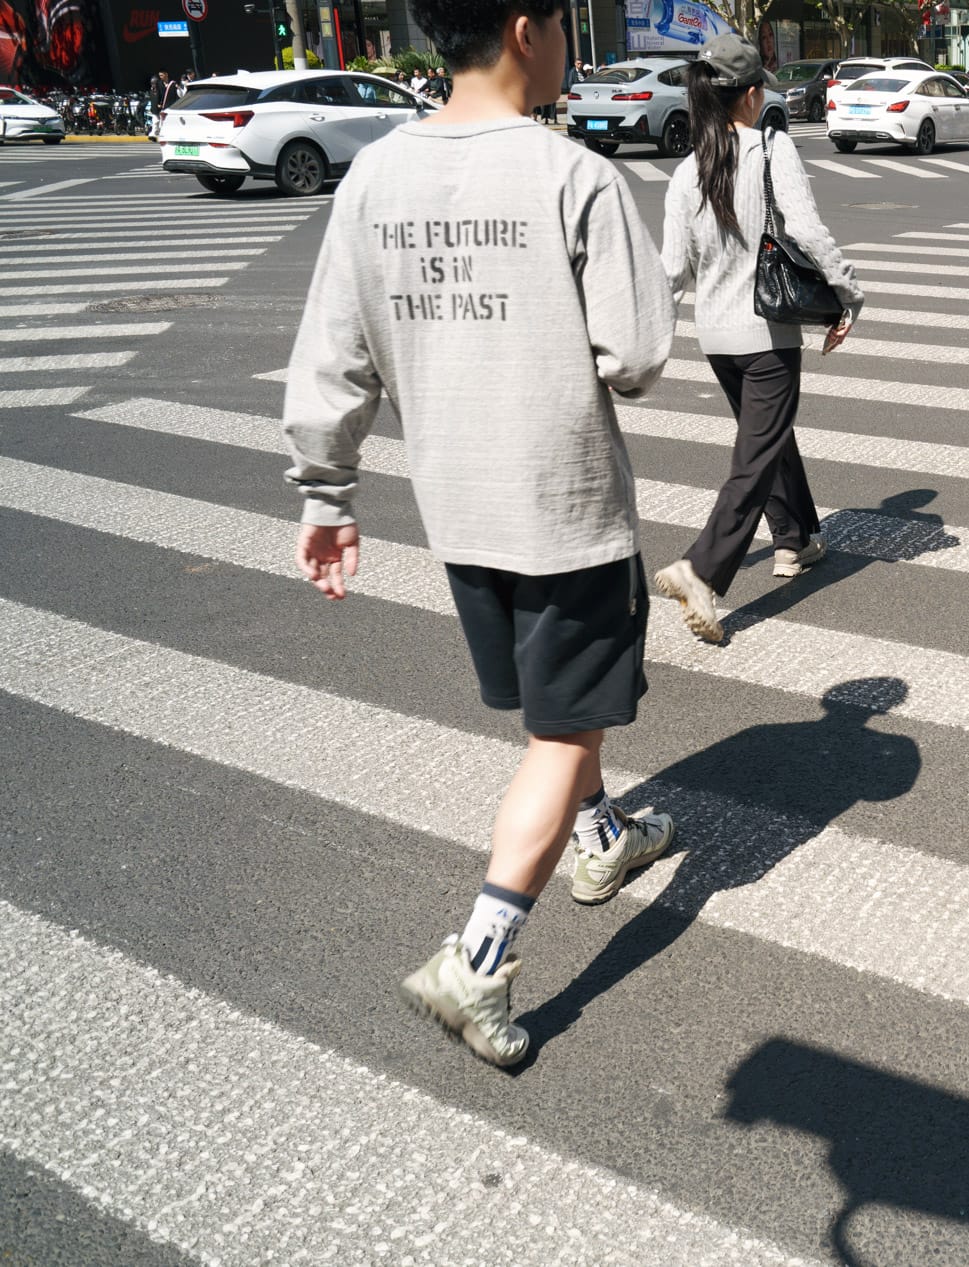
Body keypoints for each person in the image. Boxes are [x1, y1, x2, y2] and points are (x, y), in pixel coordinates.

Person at [284, 0, 677, 1067]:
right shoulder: (575, 177)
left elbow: (335, 353)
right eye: (562, 26)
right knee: (564, 734)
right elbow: (636, 354)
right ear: (524, 28)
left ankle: (599, 839)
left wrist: (327, 494)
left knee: (556, 712)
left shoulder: (372, 177)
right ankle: (481, 956)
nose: (567, 48)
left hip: (457, 507)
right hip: (564, 510)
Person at [655, 35, 862, 642]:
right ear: (749, 95)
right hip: (766, 333)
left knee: (767, 438)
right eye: (763, 88)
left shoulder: (687, 170)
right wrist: (848, 292)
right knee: (754, 458)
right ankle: (701, 570)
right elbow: (806, 230)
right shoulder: (772, 150)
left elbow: (671, 271)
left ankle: (795, 540)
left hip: (716, 337)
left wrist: (642, 341)